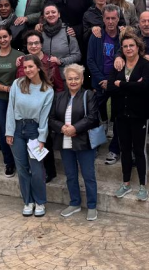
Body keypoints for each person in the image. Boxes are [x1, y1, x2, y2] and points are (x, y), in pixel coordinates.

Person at [115, 12, 149, 170]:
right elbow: (124, 48)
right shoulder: (134, 37)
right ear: (139, 23)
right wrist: (118, 57)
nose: (146, 24)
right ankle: (134, 153)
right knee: (134, 123)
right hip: (135, 90)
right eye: (143, 21)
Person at [107, 32, 149, 201]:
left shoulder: (145, 65)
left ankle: (143, 186)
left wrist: (121, 84)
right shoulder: (118, 65)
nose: (128, 48)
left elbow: (145, 88)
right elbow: (110, 88)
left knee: (139, 150)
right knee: (124, 150)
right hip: (121, 114)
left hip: (139, 115)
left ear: (138, 47)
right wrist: (132, 85)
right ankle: (126, 183)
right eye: (125, 46)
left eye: (131, 46)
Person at [48, 64, 100, 221]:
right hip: (65, 142)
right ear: (65, 80)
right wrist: (62, 128)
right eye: (70, 78)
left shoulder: (88, 95)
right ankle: (75, 202)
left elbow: (92, 118)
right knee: (70, 175)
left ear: (82, 79)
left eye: (76, 78)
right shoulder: (59, 97)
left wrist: (75, 129)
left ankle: (92, 205)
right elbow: (51, 118)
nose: (73, 81)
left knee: (88, 175)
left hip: (83, 142)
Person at [6, 55, 55, 217]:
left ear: (38, 67)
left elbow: (45, 117)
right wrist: (9, 131)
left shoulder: (47, 90)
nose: (27, 70)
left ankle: (40, 201)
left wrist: (42, 138)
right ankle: (28, 201)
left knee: (37, 169)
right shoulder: (17, 84)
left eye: (31, 67)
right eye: (25, 67)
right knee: (22, 168)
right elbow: (11, 109)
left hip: (34, 131)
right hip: (18, 129)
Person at [18, 30, 65, 183]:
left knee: (46, 140)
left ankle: (50, 171)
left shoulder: (50, 63)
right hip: (27, 109)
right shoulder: (22, 63)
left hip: (46, 108)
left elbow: (59, 87)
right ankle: (35, 169)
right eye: (30, 43)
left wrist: (55, 106)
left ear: (41, 44)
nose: (33, 46)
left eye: (36, 43)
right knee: (31, 140)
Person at [0, 27, 24, 178]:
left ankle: (22, 162)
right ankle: (9, 163)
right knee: (5, 131)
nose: (2, 40)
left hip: (18, 100)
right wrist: (7, 89)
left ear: (11, 37)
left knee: (19, 130)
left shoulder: (19, 55)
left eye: (5, 37)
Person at [86, 6, 122, 165]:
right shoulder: (96, 36)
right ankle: (95, 146)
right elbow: (90, 61)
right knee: (96, 117)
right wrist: (102, 80)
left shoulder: (123, 36)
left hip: (117, 83)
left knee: (118, 117)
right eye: (107, 18)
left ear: (118, 19)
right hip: (99, 82)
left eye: (113, 18)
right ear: (103, 19)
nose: (110, 21)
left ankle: (114, 150)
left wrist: (112, 81)